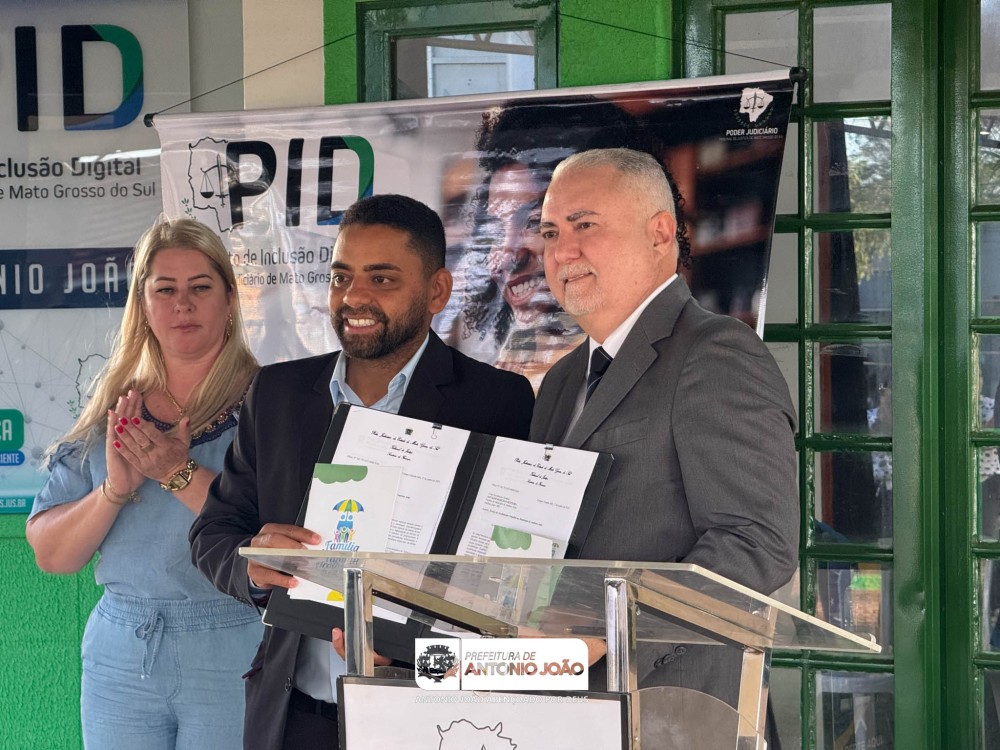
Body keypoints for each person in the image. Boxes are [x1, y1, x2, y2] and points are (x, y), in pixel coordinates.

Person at [189, 194, 534, 750]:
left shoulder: (496, 401)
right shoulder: (277, 393)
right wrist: (253, 566)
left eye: (382, 279)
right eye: (341, 277)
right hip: (296, 718)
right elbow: (213, 531)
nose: (353, 297)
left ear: (437, 291)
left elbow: (515, 579)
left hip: (432, 719)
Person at [533, 148, 799, 718]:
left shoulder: (715, 352)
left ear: (659, 234)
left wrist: (611, 630)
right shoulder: (560, 380)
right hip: (565, 710)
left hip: (679, 714)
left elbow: (756, 541)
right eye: (550, 232)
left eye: (584, 226)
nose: (562, 251)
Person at [25, 216, 262, 749]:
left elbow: (277, 542)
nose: (183, 304)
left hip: (234, 641)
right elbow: (52, 555)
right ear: (143, 305)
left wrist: (176, 473)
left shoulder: (272, 403)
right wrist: (114, 490)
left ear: (229, 298)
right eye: (166, 289)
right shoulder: (114, 408)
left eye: (200, 287)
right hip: (120, 651)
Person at [440, 96, 692, 389]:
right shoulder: (517, 368)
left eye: (536, 224)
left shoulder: (693, 363)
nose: (507, 256)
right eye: (495, 229)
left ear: (656, 233)